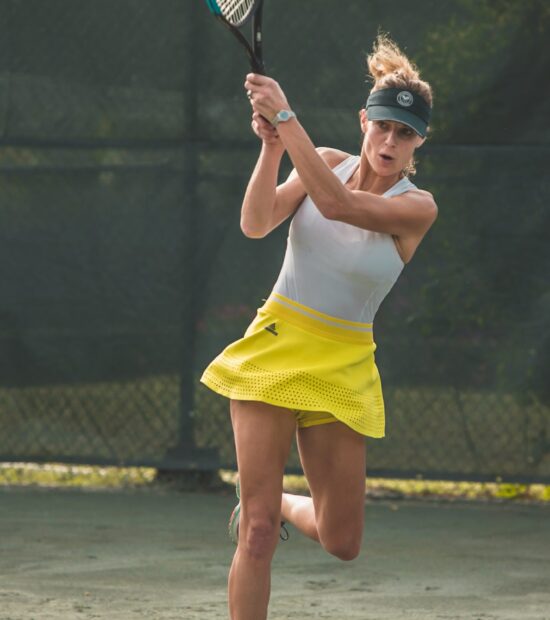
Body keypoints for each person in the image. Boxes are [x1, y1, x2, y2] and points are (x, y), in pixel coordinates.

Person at [200, 33, 438, 620]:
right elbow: (256, 224)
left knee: (342, 541)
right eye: (383, 126)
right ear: (364, 121)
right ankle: (262, 507)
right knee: (254, 534)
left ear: (419, 144)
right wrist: (273, 147)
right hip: (276, 348)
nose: (390, 141)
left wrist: (285, 115)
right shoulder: (326, 160)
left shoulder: (417, 208)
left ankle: (277, 500)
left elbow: (340, 207)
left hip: (345, 364)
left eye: (405, 134)